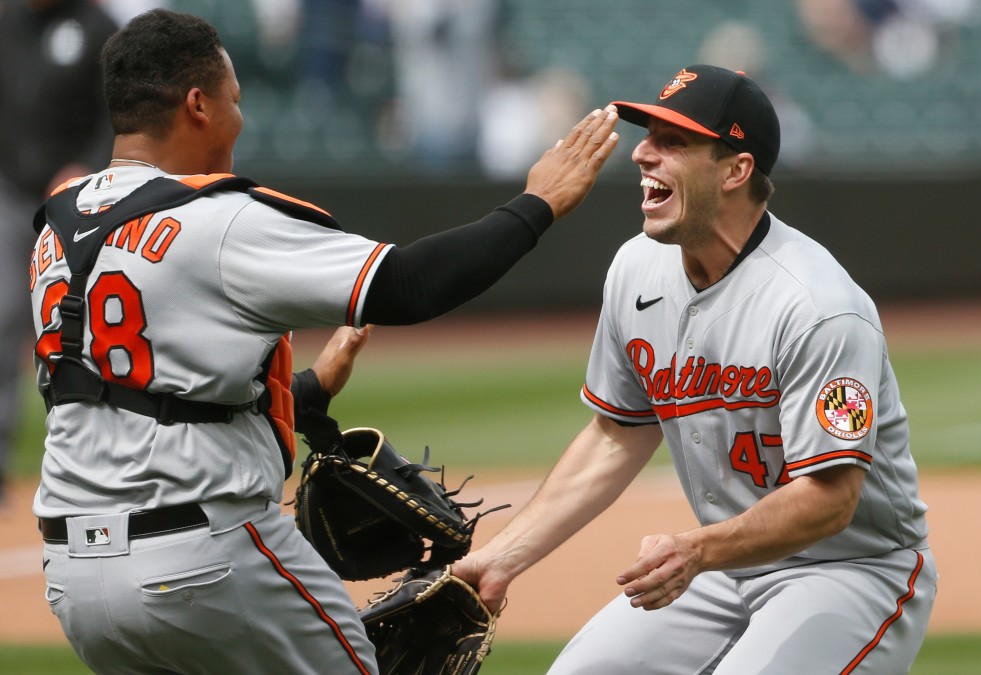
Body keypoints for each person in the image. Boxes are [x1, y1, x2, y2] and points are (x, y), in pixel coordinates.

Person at [30, 8, 618, 674]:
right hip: (203, 561)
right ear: (198, 104)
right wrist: (536, 205)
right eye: (233, 100)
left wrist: (304, 392)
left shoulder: (59, 223)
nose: (239, 118)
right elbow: (409, 285)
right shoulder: (215, 218)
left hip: (76, 577)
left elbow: (127, 393)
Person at [454, 65, 937, 674]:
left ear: (736, 169)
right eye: (647, 134)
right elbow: (618, 432)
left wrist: (697, 549)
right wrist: (503, 557)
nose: (641, 154)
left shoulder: (818, 307)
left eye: (672, 142)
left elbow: (829, 502)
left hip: (850, 568)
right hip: (727, 563)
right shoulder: (636, 269)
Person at [0, 0, 118, 508]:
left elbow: (120, 114)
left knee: (91, 327)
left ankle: (105, 465)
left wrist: (83, 166)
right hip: (9, 196)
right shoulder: (5, 23)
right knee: (1, 319)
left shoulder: (98, 26)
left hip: (80, 203)